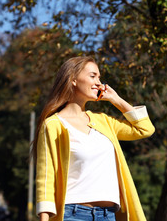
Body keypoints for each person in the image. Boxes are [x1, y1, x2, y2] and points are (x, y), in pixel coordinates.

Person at [33, 56, 155, 221]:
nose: (99, 82)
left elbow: (145, 129)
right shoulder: (53, 124)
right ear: (73, 80)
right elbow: (46, 177)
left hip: (108, 215)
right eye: (93, 76)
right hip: (72, 214)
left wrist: (116, 99)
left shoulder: (104, 122)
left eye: (99, 77)